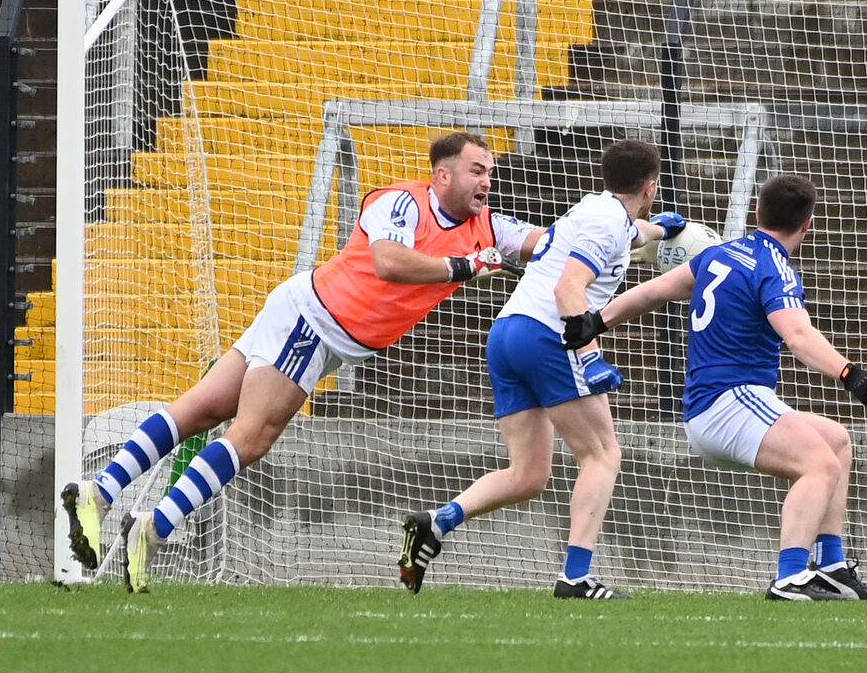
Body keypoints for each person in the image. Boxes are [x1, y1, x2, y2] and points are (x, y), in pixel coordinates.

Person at [61, 132, 544, 592]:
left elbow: (542, 243)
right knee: (251, 437)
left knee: (203, 408)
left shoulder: (489, 227)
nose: (486, 181)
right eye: (476, 170)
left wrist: (598, 236)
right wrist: (463, 266)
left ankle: (99, 494)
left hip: (311, 319)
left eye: (490, 172)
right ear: (442, 175)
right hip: (314, 322)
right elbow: (389, 263)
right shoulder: (401, 202)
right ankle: (154, 529)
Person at [560, 173, 867, 600]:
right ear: (807, 225)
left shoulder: (720, 254)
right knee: (820, 466)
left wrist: (597, 320)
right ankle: (791, 577)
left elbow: (655, 290)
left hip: (723, 403)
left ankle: (830, 565)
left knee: (837, 442)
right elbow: (798, 336)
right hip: (729, 402)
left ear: (758, 212)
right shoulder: (775, 269)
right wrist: (851, 374)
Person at [397, 138, 687, 599]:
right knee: (602, 454)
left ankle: (437, 522)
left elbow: (630, 235)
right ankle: (576, 577)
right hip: (546, 336)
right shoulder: (608, 222)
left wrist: (659, 230)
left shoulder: (595, 208)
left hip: (508, 333)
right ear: (652, 185)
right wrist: (591, 358)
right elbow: (569, 289)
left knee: (528, 474)